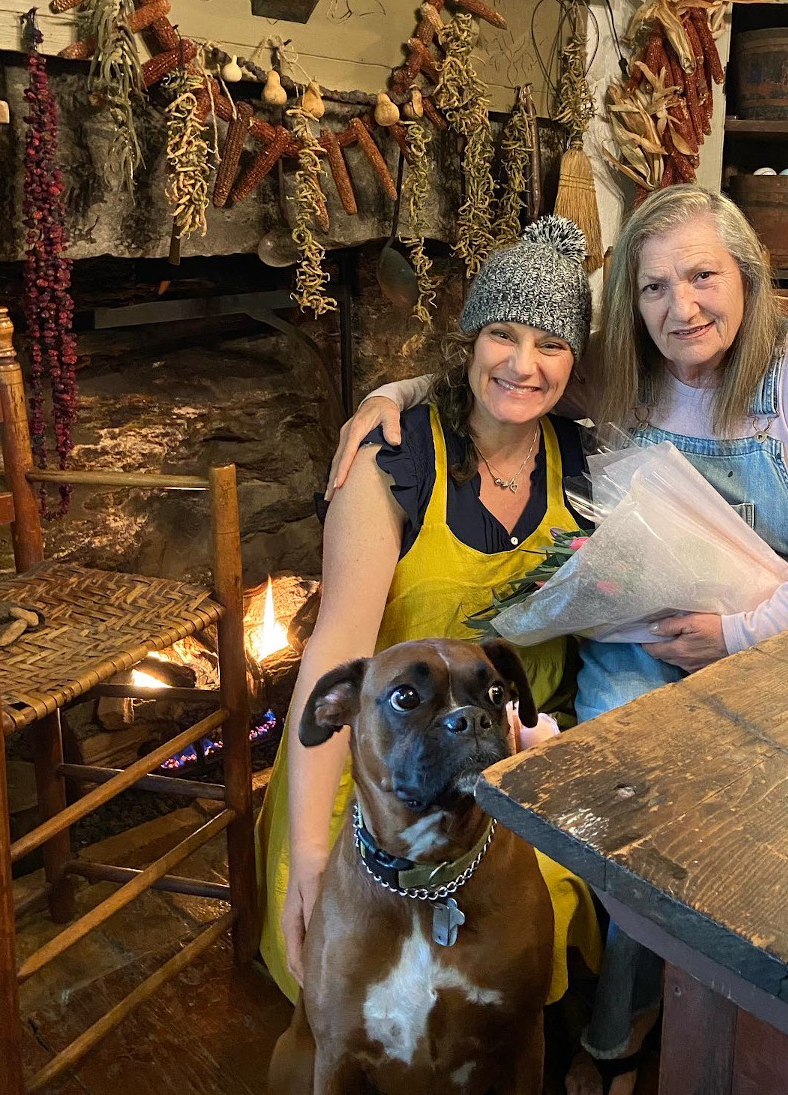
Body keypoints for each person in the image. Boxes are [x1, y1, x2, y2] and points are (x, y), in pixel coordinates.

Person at [328, 184, 788, 1092]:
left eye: (703, 276)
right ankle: (616, 1026)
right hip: (642, 642)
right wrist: (390, 392)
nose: (682, 308)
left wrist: (740, 634)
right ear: (629, 303)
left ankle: (764, 1022)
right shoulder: (623, 370)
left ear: (747, 276)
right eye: (653, 287)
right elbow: (509, 368)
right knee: (620, 805)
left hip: (787, 640)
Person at [256, 216, 602, 1011]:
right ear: (470, 339)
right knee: (368, 991)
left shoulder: (583, 462)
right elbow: (333, 651)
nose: (523, 364)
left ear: (574, 361)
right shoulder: (396, 459)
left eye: (551, 344)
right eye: (503, 335)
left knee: (507, 981)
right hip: (385, 768)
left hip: (515, 766)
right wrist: (311, 856)